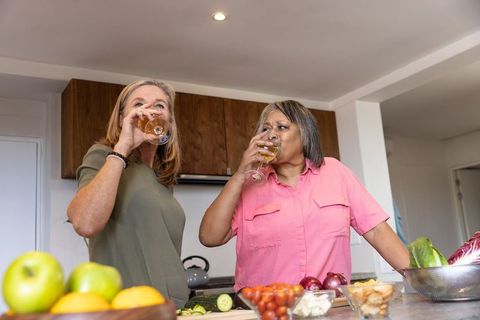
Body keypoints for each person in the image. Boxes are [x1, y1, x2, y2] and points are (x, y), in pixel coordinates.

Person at [199, 100, 410, 291]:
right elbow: (210, 237)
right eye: (265, 129)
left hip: (329, 309)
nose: (270, 135)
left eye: (281, 127)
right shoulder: (249, 185)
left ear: (305, 134)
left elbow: (377, 232)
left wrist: (426, 281)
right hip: (266, 311)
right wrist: (239, 174)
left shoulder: (336, 172)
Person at [67, 79, 189, 307]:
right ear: (123, 118)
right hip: (125, 307)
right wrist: (122, 147)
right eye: (139, 104)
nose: (150, 111)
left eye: (160, 105)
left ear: (170, 122)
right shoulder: (103, 156)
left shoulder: (162, 179)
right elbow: (84, 223)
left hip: (168, 307)